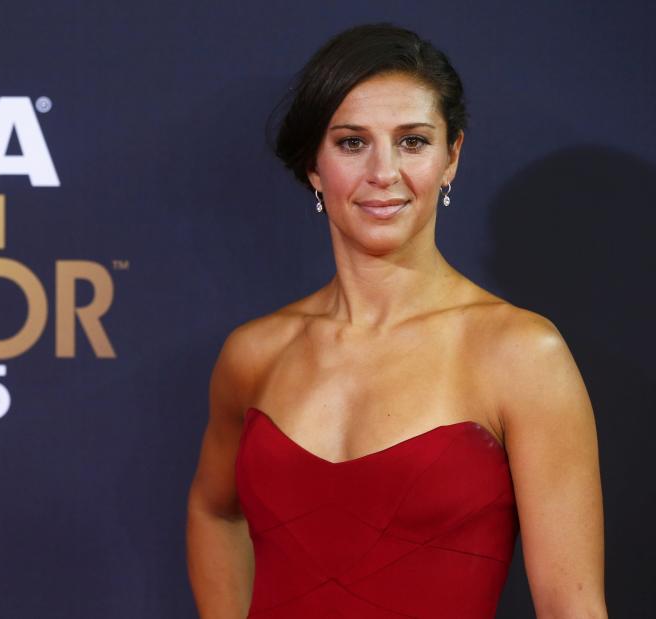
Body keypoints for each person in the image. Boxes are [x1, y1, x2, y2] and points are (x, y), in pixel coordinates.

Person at [185, 23, 607, 619]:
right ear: (313, 164)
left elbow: (573, 606)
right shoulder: (255, 353)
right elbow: (214, 509)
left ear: (451, 157)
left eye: (412, 142)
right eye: (352, 143)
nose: (383, 173)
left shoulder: (519, 352)